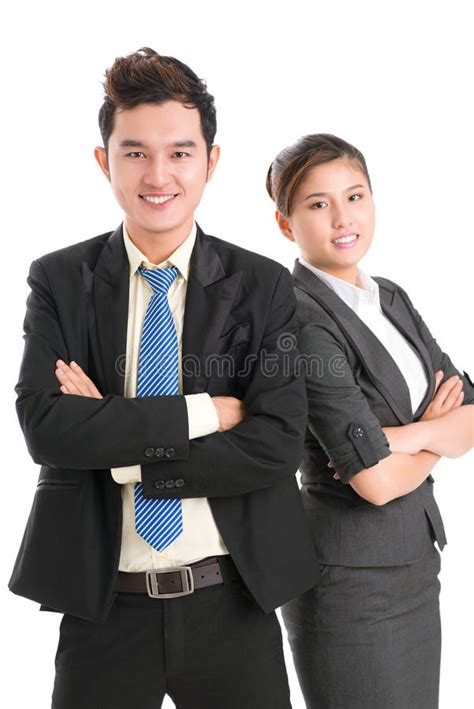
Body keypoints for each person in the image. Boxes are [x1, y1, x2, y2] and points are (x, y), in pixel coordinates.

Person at [8, 47, 320, 709]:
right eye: (135, 152)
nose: (158, 175)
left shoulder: (260, 285)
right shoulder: (61, 281)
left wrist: (126, 455)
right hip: (104, 610)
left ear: (210, 160)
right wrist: (204, 412)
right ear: (105, 161)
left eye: (180, 152)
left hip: (233, 604)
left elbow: (275, 443)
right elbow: (47, 427)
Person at [266, 133, 474, 709]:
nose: (342, 218)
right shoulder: (302, 319)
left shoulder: (392, 298)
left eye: (355, 196)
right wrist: (438, 435)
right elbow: (375, 483)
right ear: (286, 224)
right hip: (349, 583)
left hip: (414, 562)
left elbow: (471, 414)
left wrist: (410, 436)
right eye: (317, 204)